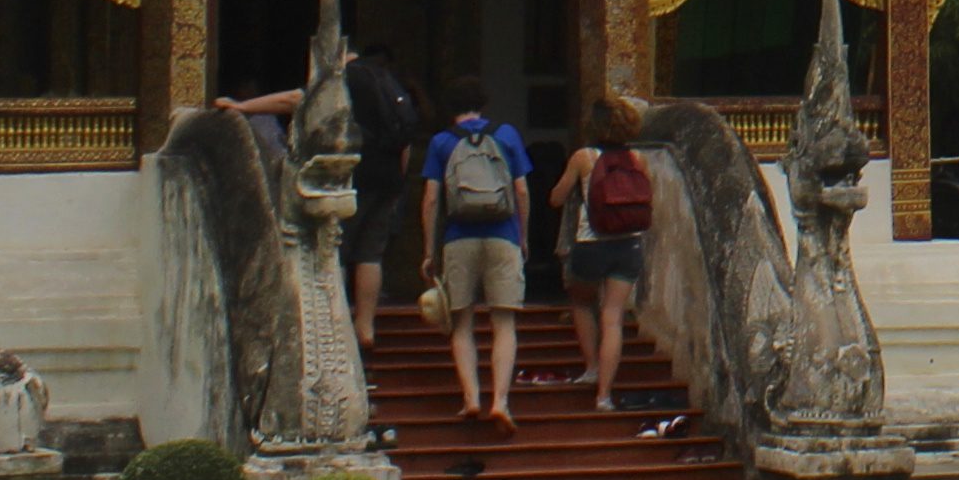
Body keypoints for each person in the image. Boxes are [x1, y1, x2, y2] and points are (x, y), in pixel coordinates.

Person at [211, 37, 424, 351]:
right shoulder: (385, 80)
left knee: (333, 246)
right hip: (388, 180)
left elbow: (294, 100)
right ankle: (366, 325)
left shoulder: (340, 79)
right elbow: (405, 139)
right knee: (370, 254)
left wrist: (242, 107)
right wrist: (397, 180)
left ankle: (334, 319)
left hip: (349, 177)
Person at [416, 78, 534, 430]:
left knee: (461, 324)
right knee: (504, 323)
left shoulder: (441, 142)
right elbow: (522, 191)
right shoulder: (507, 135)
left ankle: (471, 399)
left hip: (458, 239)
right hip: (503, 236)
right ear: (482, 102)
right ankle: (500, 402)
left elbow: (431, 199)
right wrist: (523, 236)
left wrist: (428, 249)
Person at [547, 99, 660, 410]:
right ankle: (604, 396)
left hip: (591, 242)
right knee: (613, 317)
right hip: (629, 244)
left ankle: (592, 368)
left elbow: (556, 198)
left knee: (582, 303)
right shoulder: (638, 158)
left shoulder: (584, 157)